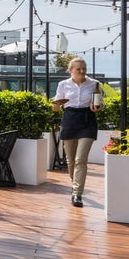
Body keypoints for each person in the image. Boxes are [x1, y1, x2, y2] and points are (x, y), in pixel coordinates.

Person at [52, 57, 102, 207]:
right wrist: (55, 105)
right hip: (69, 119)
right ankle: (75, 186)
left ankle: (77, 194)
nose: (82, 71)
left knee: (81, 159)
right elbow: (55, 106)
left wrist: (97, 107)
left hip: (87, 120)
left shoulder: (95, 84)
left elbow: (101, 104)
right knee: (71, 161)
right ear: (70, 70)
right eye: (78, 69)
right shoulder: (63, 85)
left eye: (84, 68)